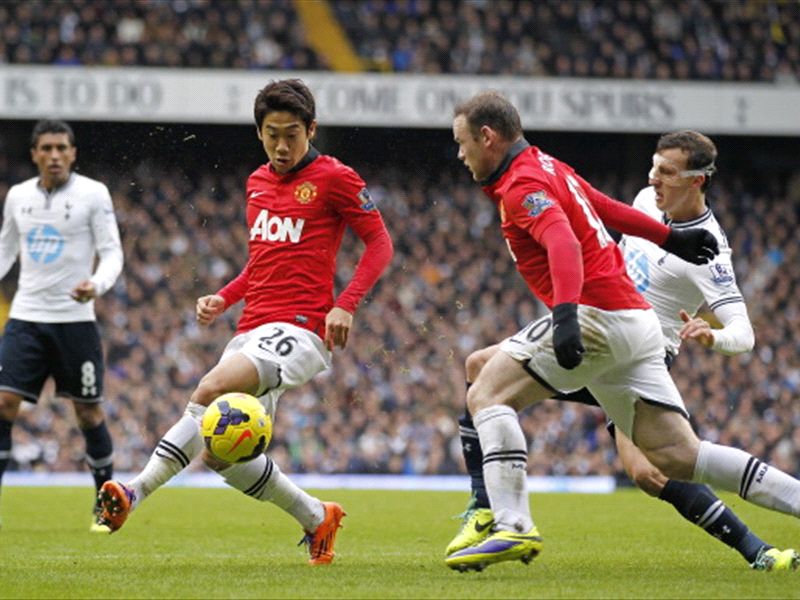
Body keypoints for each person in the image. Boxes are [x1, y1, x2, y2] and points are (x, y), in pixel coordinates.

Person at [443, 91, 800, 572]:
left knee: (487, 394)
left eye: (462, 142)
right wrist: (670, 237)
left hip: (597, 316)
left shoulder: (521, 183)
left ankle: (510, 523)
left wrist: (567, 313)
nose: (459, 154)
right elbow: (606, 208)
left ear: (487, 137)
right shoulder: (547, 165)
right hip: (636, 325)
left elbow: (563, 242)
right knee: (676, 457)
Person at [97, 79, 393, 565]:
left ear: (312, 129)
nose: (282, 145)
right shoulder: (256, 183)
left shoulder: (335, 177)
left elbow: (380, 243)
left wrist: (347, 303)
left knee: (211, 387)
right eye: (272, 133)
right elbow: (263, 261)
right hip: (251, 328)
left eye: (293, 134)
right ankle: (317, 516)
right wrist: (225, 296)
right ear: (259, 132)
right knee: (220, 453)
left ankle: (135, 491)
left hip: (301, 328)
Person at [0, 119, 123, 532]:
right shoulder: (18, 196)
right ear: (34, 153)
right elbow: (5, 251)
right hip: (27, 317)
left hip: (75, 321)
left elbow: (111, 253)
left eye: (62, 148)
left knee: (88, 412)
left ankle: (105, 502)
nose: (54, 156)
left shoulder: (93, 194)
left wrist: (97, 284)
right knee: (3, 403)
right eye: (46, 148)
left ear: (73, 153)